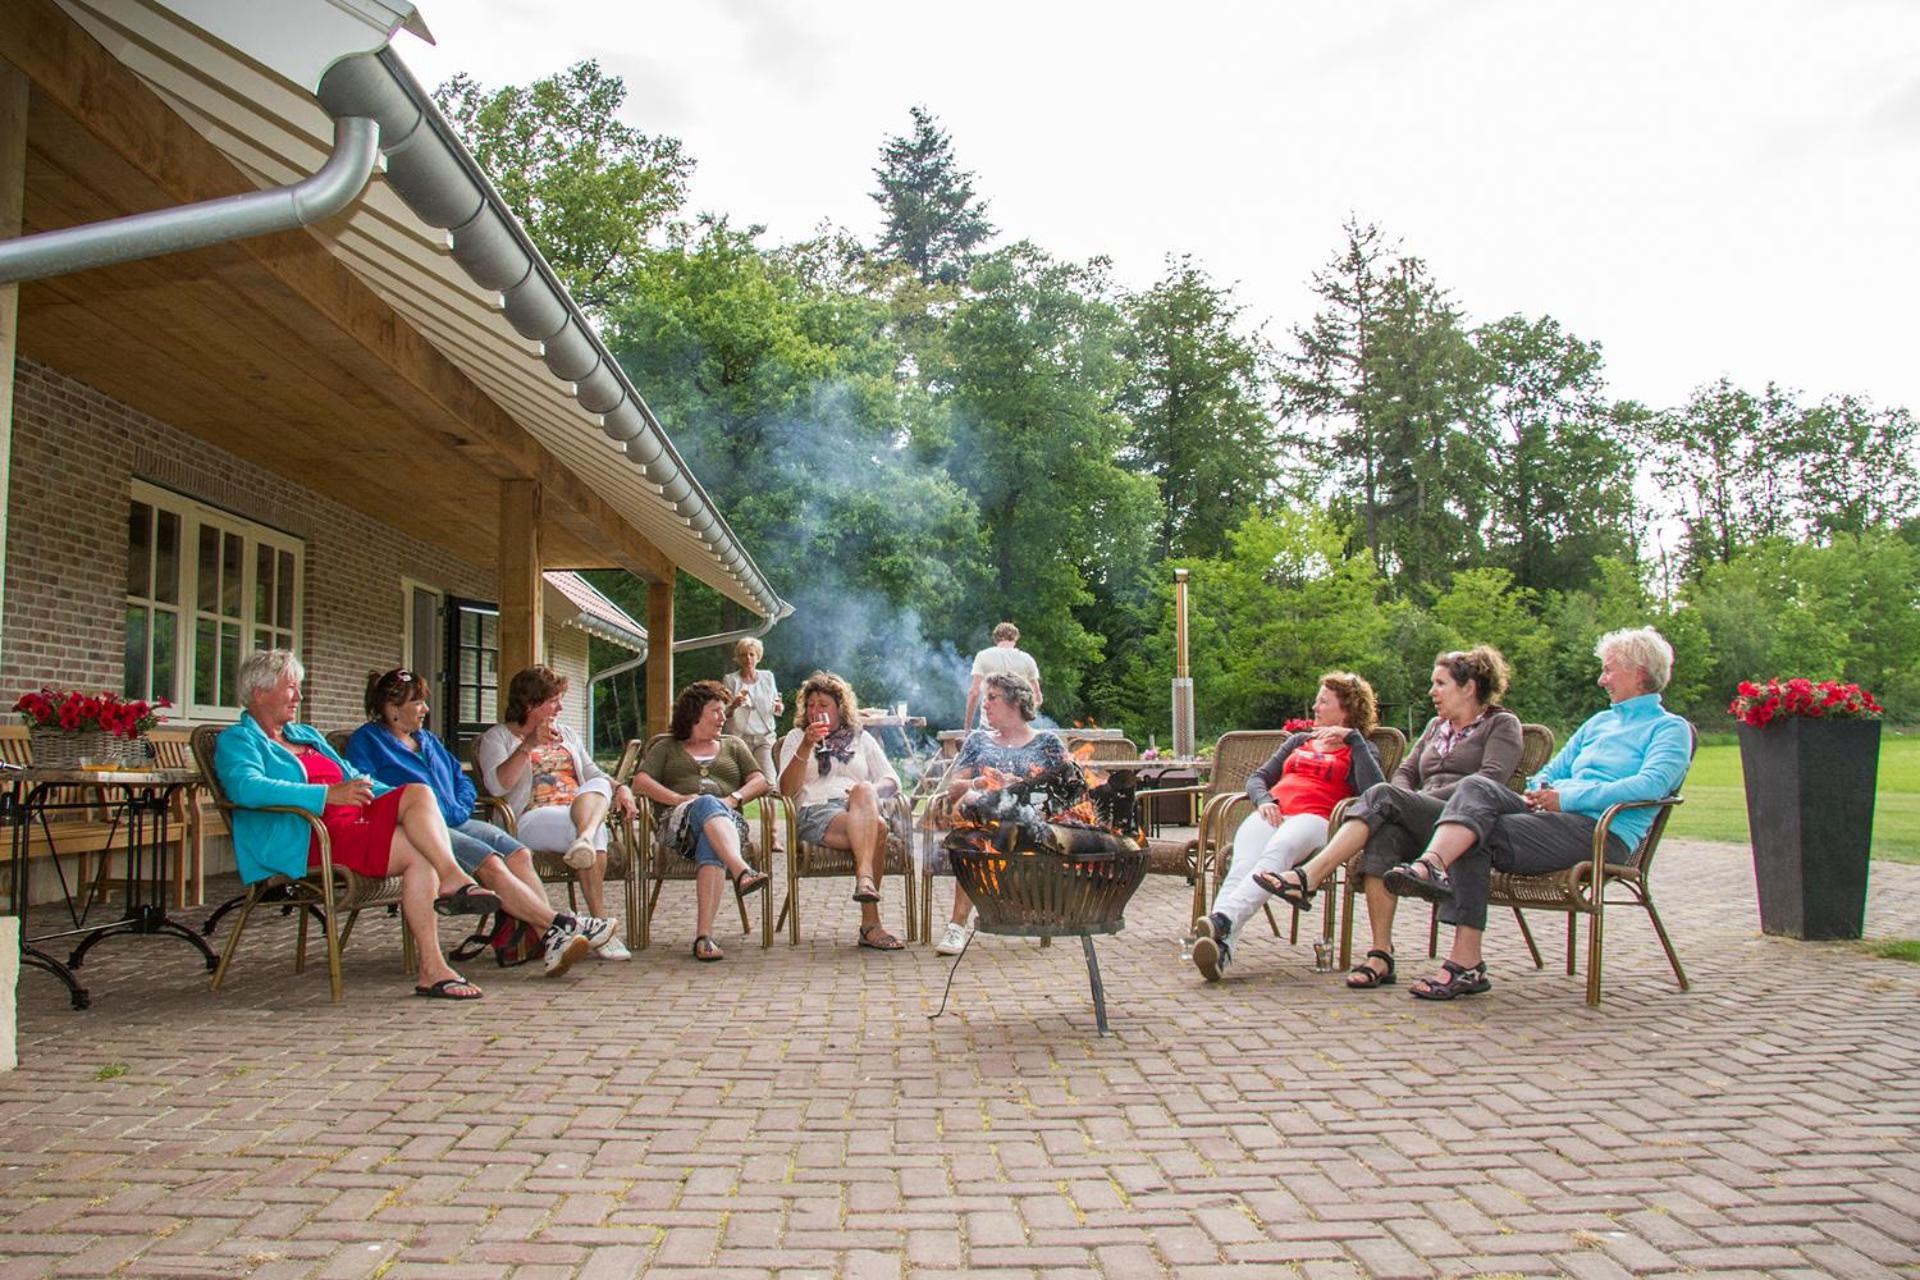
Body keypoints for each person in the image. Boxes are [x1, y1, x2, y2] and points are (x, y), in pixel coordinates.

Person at [1384, 628, 1692, 1000]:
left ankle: (1458, 943)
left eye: (1609, 670)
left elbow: (1649, 785)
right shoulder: (1599, 723)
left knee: (1473, 832)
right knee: (1475, 789)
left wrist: (1567, 798)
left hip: (1600, 833)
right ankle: (1440, 888)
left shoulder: (1670, 729)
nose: (1601, 678)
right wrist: (1539, 789)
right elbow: (1551, 770)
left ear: (1639, 672)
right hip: (1551, 819)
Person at [214, 649, 499, 1000]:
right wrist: (324, 796)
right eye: (291, 688)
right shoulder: (238, 741)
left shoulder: (307, 736)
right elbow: (246, 788)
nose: (299, 697)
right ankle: (452, 886)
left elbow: (354, 777)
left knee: (418, 806)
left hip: (350, 825)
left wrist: (398, 801)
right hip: (308, 838)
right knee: (418, 827)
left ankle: (433, 967)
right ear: (259, 692)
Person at [1256, 647, 1523, 991]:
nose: (1432, 692)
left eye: (1440, 684)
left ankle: (1308, 876)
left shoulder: (1501, 724)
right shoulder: (1435, 727)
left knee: (1384, 797)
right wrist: (1405, 801)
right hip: (1425, 819)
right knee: (1383, 833)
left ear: (1468, 687)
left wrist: (1410, 801)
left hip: (1467, 824)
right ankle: (1380, 955)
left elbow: (1490, 780)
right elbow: (1406, 773)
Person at [346, 667, 617, 978]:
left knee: (518, 854)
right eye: (418, 702)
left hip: (455, 819)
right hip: (418, 829)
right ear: (393, 709)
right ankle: (560, 926)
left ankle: (553, 936)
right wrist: (424, 810)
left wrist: (458, 806)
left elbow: (461, 780)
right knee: (490, 863)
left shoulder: (427, 740)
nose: (425, 709)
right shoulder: (367, 742)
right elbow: (365, 788)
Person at [1189, 672, 1384, 982]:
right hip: (1275, 813)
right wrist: (1264, 800)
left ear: (1347, 709)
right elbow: (1257, 778)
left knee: (1278, 851)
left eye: (1324, 702)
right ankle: (1221, 948)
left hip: (1318, 819)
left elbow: (1376, 791)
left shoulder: (1361, 748)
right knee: (1241, 865)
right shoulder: (1300, 740)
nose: (1316, 707)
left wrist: (1354, 740)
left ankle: (1222, 921)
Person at [476, 665, 638, 961]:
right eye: (553, 701)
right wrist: (529, 745)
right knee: (592, 831)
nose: (560, 707)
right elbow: (497, 787)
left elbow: (592, 773)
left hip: (575, 812)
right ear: (529, 703)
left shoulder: (565, 733)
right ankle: (602, 928)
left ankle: (585, 840)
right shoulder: (497, 738)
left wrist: (620, 788)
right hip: (528, 817)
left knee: (599, 789)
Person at [627, 680, 773, 962]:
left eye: (723, 711)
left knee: (711, 821)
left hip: (728, 823)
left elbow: (760, 781)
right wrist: (678, 799)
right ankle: (741, 869)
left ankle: (703, 937)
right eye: (716, 711)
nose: (723, 717)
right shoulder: (667, 746)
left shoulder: (734, 745)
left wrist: (732, 800)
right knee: (705, 802)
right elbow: (641, 782)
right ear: (695, 714)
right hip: (677, 826)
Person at [937, 671, 1068, 956]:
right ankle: (956, 927)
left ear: (1016, 702)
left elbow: (1066, 793)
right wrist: (982, 783)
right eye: (985, 699)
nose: (985, 705)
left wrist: (1021, 786)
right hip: (982, 821)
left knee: (976, 828)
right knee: (973, 820)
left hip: (1030, 826)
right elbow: (954, 789)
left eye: (992, 698)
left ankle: (962, 924)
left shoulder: (1047, 743)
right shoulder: (978, 741)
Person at [776, 670, 906, 951]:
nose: (815, 711)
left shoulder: (861, 739)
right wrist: (807, 744)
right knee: (880, 829)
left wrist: (869, 790)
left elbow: (891, 780)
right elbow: (786, 790)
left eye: (823, 705)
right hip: (816, 810)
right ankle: (871, 920)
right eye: (810, 705)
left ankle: (864, 884)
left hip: (857, 807)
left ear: (840, 708)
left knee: (864, 790)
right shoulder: (796, 737)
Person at [723, 637, 784, 787]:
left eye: (751, 654)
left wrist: (779, 707)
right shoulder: (730, 680)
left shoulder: (768, 677)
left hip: (764, 737)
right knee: (736, 783)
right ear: (738, 658)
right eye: (743, 655)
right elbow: (724, 713)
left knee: (770, 782)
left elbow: (776, 703)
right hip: (740, 739)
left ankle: (771, 810)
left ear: (758, 657)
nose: (748, 658)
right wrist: (734, 705)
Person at [964, 622, 1042, 730]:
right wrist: (1023, 717)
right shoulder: (1027, 659)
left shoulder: (983, 656)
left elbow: (974, 693)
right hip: (1017, 729)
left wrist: (967, 728)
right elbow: (1037, 697)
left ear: (995, 639)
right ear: (1015, 639)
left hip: (989, 726)